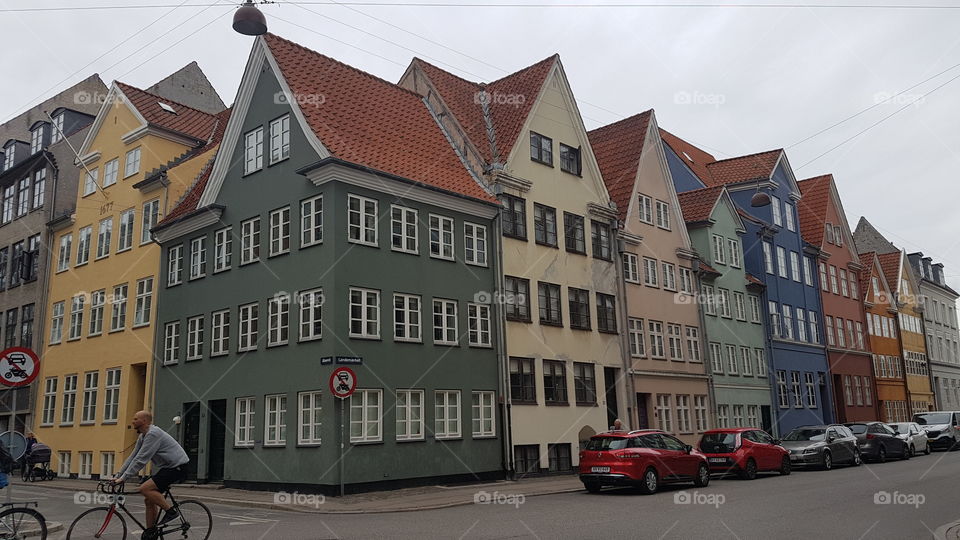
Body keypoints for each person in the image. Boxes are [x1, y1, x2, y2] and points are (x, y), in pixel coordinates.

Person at [112, 411, 189, 529]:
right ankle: (151, 533)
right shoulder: (143, 436)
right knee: (149, 500)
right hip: (168, 467)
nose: (132, 421)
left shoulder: (153, 434)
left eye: (135, 419)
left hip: (178, 467)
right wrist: (118, 475)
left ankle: (171, 512)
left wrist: (124, 478)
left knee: (144, 488)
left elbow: (141, 459)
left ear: (144, 421)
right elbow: (133, 457)